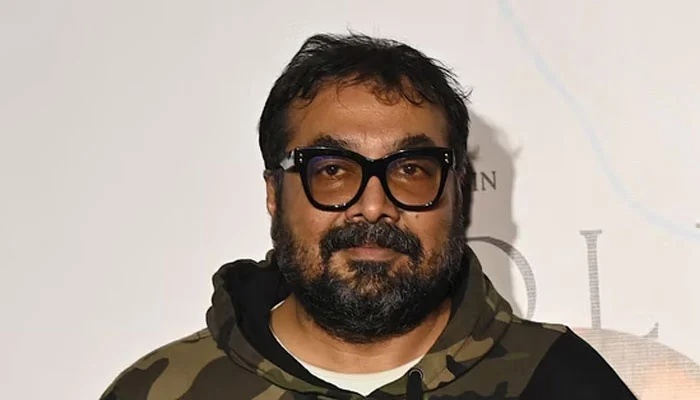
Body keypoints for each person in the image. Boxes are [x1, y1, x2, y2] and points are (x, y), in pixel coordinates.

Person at [100, 33, 637, 400]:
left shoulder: (564, 381)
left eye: (411, 169)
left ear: (458, 193)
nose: (374, 204)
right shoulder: (157, 391)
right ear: (274, 193)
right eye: (332, 170)